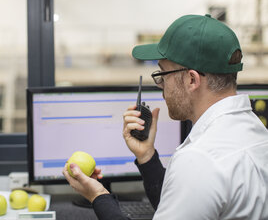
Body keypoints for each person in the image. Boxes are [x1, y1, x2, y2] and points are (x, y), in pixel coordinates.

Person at [62, 14, 268, 219]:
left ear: (191, 80)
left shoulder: (200, 159)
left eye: (162, 75)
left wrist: (97, 195)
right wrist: (146, 157)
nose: (161, 87)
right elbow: (183, 206)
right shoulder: (256, 133)